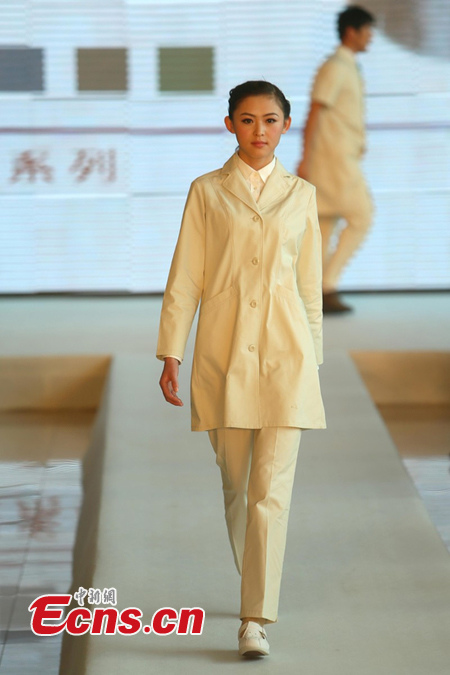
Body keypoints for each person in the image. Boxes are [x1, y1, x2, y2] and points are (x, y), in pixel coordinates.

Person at [157, 80, 326, 657]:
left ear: (286, 125)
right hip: (223, 355)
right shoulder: (206, 191)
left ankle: (255, 618)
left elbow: (309, 289)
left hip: (287, 357)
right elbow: (187, 277)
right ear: (229, 124)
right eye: (248, 120)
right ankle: (254, 571)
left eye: (271, 120)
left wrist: (314, 364)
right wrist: (171, 352)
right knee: (237, 487)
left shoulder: (302, 194)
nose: (260, 131)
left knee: (270, 493)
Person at [297, 5, 375, 313]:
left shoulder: (349, 66)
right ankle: (326, 285)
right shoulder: (335, 67)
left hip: (338, 158)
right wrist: (305, 158)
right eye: (367, 31)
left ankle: (314, 292)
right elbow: (315, 111)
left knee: (324, 224)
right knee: (362, 216)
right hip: (333, 160)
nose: (370, 37)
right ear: (351, 32)